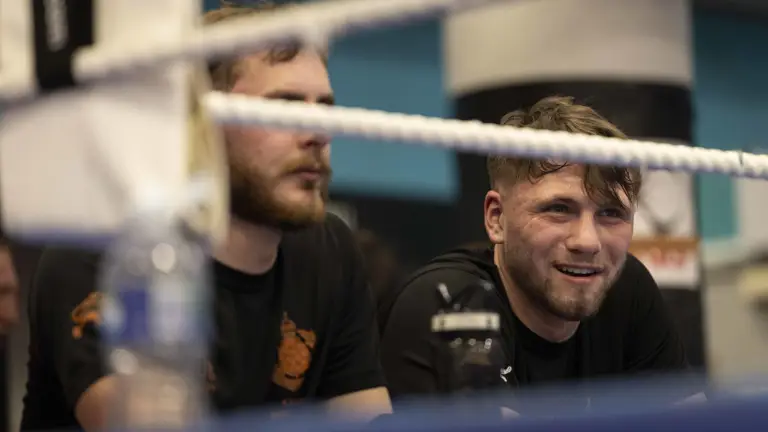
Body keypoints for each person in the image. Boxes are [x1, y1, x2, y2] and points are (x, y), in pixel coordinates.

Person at [20, 3, 391, 430]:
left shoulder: (329, 252)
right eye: (285, 107)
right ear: (202, 124)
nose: (318, 132)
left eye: (324, 107)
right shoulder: (106, 247)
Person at [379, 96, 697, 411]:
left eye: (611, 213)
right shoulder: (448, 301)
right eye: (559, 209)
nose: (588, 242)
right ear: (496, 218)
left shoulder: (628, 289)